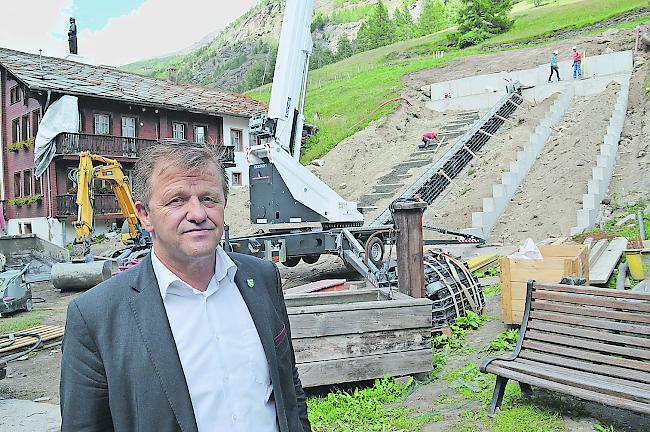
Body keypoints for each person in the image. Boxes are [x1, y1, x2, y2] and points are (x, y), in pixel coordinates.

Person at [60, 140, 311, 432]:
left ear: (224, 204)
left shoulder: (263, 278)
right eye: (176, 200)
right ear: (144, 215)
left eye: (208, 199)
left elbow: (288, 386)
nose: (198, 214)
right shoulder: (95, 317)